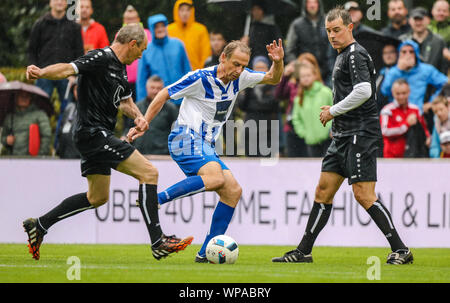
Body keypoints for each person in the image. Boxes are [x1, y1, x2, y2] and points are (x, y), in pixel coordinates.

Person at [23, 24, 193, 261]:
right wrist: (41, 73)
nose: (141, 55)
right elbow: (67, 69)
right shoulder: (100, 57)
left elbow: (124, 101)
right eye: (141, 50)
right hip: (93, 134)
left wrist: (139, 117)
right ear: (132, 44)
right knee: (149, 173)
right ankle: (158, 241)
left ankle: (40, 225)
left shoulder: (121, 70)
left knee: (97, 197)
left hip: (94, 135)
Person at [272, 7, 413, 265]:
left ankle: (401, 249)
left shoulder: (355, 54)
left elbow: (364, 91)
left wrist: (333, 111)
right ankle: (303, 251)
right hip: (342, 134)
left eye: (337, 30)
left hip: (361, 133)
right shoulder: (341, 55)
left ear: (350, 27)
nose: (332, 35)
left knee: (363, 194)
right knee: (323, 190)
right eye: (328, 31)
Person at [128, 39, 285, 263]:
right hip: (184, 137)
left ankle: (205, 254)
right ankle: (155, 199)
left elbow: (273, 78)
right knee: (214, 177)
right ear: (223, 57)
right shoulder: (199, 78)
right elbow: (163, 94)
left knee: (233, 191)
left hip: (205, 144)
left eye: (243, 65)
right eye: (235, 64)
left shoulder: (240, 77)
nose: (239, 70)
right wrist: (144, 123)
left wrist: (278, 62)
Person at [28, 0, 84, 103]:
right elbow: (32, 50)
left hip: (67, 75)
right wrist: (34, 70)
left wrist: (74, 75)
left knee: (68, 110)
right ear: (50, 3)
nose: (59, 2)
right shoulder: (40, 24)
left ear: (67, 3)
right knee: (41, 107)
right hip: (43, 74)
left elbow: (79, 53)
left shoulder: (74, 27)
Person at [275, 53, 323, 157]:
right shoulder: (293, 84)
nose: (305, 70)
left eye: (308, 66)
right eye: (302, 66)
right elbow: (279, 95)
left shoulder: (321, 89)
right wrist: (285, 76)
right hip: (293, 128)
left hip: (311, 131)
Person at [137, 14, 191, 105]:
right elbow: (141, 80)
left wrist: (191, 94)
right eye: (156, 27)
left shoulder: (178, 45)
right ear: (151, 29)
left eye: (162, 26)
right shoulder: (146, 50)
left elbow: (187, 71)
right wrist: (142, 104)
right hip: (159, 102)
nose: (160, 29)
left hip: (181, 98)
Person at [380, 40, 448, 113]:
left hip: (417, 114)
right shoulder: (393, 71)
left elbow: (445, 83)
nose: (408, 55)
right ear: (399, 54)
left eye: (411, 52)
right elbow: (384, 91)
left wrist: (432, 102)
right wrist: (398, 70)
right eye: (404, 52)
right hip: (397, 114)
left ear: (416, 54)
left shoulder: (425, 69)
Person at [122, 75, 178, 155]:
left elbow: (176, 132)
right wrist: (124, 138)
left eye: (158, 88)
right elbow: (128, 128)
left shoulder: (171, 109)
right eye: (152, 88)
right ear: (146, 88)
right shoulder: (137, 107)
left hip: (163, 156)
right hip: (140, 153)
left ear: (162, 90)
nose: (155, 91)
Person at [237, 56, 279, 157]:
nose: (260, 71)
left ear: (268, 69)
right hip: (251, 127)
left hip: (268, 128)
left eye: (262, 68)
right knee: (251, 160)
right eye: (257, 68)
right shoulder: (247, 86)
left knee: (267, 161)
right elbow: (242, 105)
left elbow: (273, 104)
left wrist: (257, 105)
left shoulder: (273, 85)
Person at [285, 0, 334, 84]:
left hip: (328, 72)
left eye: (315, 2)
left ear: (319, 4)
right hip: (305, 73)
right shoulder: (297, 24)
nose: (312, 5)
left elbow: (335, 45)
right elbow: (290, 50)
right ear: (305, 5)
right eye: (309, 2)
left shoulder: (328, 21)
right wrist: (298, 67)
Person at [380, 79, 430, 158]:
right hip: (391, 156)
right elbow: (384, 132)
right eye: (398, 94)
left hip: (412, 155)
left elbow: (423, 128)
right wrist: (406, 124)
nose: (401, 96)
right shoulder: (387, 110)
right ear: (393, 93)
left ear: (409, 92)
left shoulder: (415, 109)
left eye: (404, 93)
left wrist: (428, 137)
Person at [291, 63, 333, 157]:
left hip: (328, 140)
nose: (306, 78)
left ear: (315, 75)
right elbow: (296, 118)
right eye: (303, 76)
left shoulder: (326, 92)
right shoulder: (299, 98)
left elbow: (335, 110)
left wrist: (330, 128)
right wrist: (304, 133)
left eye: (308, 75)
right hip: (310, 142)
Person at [1, 91, 52, 156]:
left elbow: (46, 135)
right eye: (21, 96)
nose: (24, 98)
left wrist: (40, 156)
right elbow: (3, 138)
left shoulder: (40, 115)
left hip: (33, 159)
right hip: (13, 159)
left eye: (26, 96)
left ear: (31, 99)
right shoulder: (10, 117)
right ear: (16, 98)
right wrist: (6, 140)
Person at [399, 7, 448, 74]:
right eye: (415, 19)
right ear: (410, 21)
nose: (418, 23)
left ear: (428, 20)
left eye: (421, 19)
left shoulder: (438, 41)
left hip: (434, 81)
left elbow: (444, 65)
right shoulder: (402, 40)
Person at [167, 0, 211, 71]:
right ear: (176, 11)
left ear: (192, 11)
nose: (185, 13)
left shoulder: (201, 30)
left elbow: (205, 55)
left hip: (196, 74)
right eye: (182, 10)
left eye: (188, 10)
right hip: (174, 74)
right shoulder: (169, 30)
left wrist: (200, 72)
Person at [121, 5, 152, 102]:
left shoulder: (147, 34)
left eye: (133, 19)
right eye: (128, 19)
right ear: (124, 21)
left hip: (144, 80)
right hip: (126, 81)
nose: (130, 22)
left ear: (138, 19)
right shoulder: (120, 35)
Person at [241, 1, 282, 66]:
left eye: (258, 9)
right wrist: (243, 44)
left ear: (263, 11)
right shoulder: (250, 27)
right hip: (250, 60)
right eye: (254, 10)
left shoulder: (271, 28)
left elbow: (277, 44)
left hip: (268, 60)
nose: (256, 12)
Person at [55, 80, 80, 159]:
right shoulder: (69, 107)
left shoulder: (91, 110)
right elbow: (60, 130)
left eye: (81, 88)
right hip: (64, 154)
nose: (78, 92)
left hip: (80, 157)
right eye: (76, 89)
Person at [376, 43, 398, 113]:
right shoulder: (380, 73)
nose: (388, 56)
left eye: (391, 52)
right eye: (385, 53)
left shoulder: (401, 72)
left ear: (397, 53)